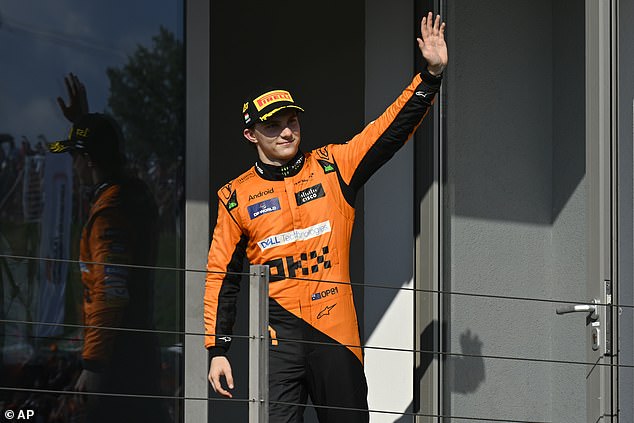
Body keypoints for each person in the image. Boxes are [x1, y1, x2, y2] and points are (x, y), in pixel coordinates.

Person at [205, 12, 448, 422]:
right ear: (251, 135)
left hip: (336, 333)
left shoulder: (334, 165)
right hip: (276, 340)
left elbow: (388, 131)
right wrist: (217, 350)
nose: (286, 132)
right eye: (273, 126)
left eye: (292, 121)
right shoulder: (235, 196)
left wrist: (431, 76)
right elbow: (221, 277)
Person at [47, 74, 168, 423]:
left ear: (88, 161)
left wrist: (95, 365)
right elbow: (107, 152)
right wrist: (84, 125)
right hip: (135, 348)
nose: (74, 166)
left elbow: (111, 292)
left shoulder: (111, 212)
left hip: (118, 359)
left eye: (75, 157)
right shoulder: (132, 193)